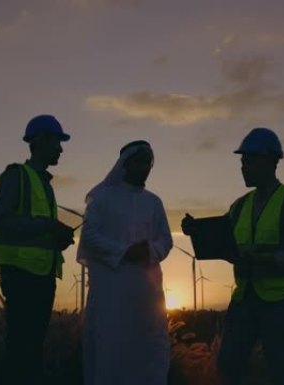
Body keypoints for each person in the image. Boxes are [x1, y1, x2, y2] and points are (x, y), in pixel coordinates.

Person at [182, 128, 284, 385]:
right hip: (244, 299)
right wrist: (197, 231)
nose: (244, 167)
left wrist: (254, 258)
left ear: (270, 161)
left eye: (249, 160)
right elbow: (223, 240)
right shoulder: (239, 206)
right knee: (228, 366)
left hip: (280, 301)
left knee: (281, 370)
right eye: (242, 161)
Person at [0, 114, 75, 385]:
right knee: (21, 350)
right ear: (39, 140)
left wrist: (59, 237)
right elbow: (1, 220)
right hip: (22, 275)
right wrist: (48, 225)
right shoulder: (16, 176)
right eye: (57, 142)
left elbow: (38, 229)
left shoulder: (45, 184)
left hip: (42, 275)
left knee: (33, 348)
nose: (61, 149)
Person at [77, 140, 173, 385]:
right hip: (112, 293)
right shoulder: (102, 198)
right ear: (125, 164)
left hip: (146, 294)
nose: (145, 168)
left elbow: (166, 239)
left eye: (148, 162)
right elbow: (89, 236)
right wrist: (124, 252)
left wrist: (149, 251)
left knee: (149, 349)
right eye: (139, 162)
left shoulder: (154, 202)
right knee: (111, 349)